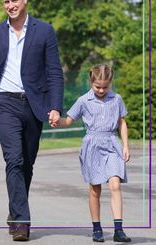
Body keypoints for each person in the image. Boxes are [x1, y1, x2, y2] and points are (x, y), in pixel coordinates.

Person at [0, 0, 64, 241]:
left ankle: (15, 211)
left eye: (14, 1)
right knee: (13, 159)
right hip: (4, 103)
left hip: (35, 105)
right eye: (6, 2)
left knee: (27, 163)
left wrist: (55, 106)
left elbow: (54, 72)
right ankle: (23, 223)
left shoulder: (44, 31)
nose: (10, 6)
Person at [51, 64, 131, 243]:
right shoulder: (83, 100)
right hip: (92, 145)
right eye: (98, 86)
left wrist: (125, 145)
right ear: (91, 82)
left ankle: (119, 230)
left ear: (110, 83)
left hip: (112, 144)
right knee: (95, 188)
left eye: (105, 86)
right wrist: (58, 120)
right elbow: (69, 120)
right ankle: (97, 228)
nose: (101, 90)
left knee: (115, 184)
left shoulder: (116, 99)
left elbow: (122, 123)